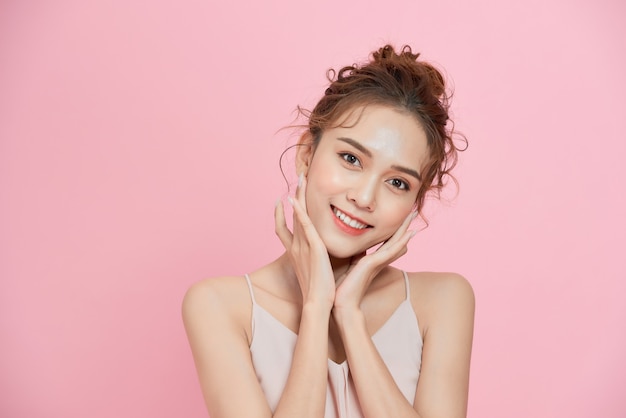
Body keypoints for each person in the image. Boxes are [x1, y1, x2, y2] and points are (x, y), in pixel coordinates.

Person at [182, 44, 474, 418]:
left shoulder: (441, 301)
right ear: (307, 153)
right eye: (351, 159)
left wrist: (348, 313)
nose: (365, 197)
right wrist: (316, 307)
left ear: (416, 202)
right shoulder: (220, 306)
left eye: (398, 183)